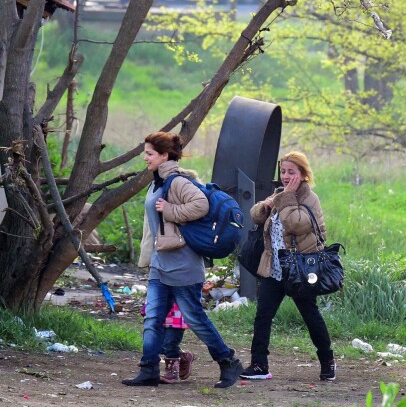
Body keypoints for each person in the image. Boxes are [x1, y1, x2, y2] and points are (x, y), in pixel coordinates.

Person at [122, 131, 243, 388]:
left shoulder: (177, 181)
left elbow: (201, 205)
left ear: (165, 156)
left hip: (184, 266)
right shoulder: (157, 181)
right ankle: (148, 369)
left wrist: (171, 210)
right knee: (153, 318)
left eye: (150, 154)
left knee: (196, 319)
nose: (145, 158)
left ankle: (228, 361)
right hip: (161, 263)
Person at [239, 151, 336, 382]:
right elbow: (255, 216)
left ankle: (328, 361)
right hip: (274, 268)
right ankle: (259, 364)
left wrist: (287, 198)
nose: (285, 176)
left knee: (311, 316)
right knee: (263, 316)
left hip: (299, 270)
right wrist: (267, 204)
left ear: (303, 175)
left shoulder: (309, 198)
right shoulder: (281, 194)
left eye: (291, 172)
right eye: (283, 171)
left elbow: (296, 224)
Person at [139, 301, 197, 384]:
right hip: (159, 317)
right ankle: (184, 356)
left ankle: (172, 373)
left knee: (170, 344)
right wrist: (146, 308)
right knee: (158, 345)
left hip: (176, 318)